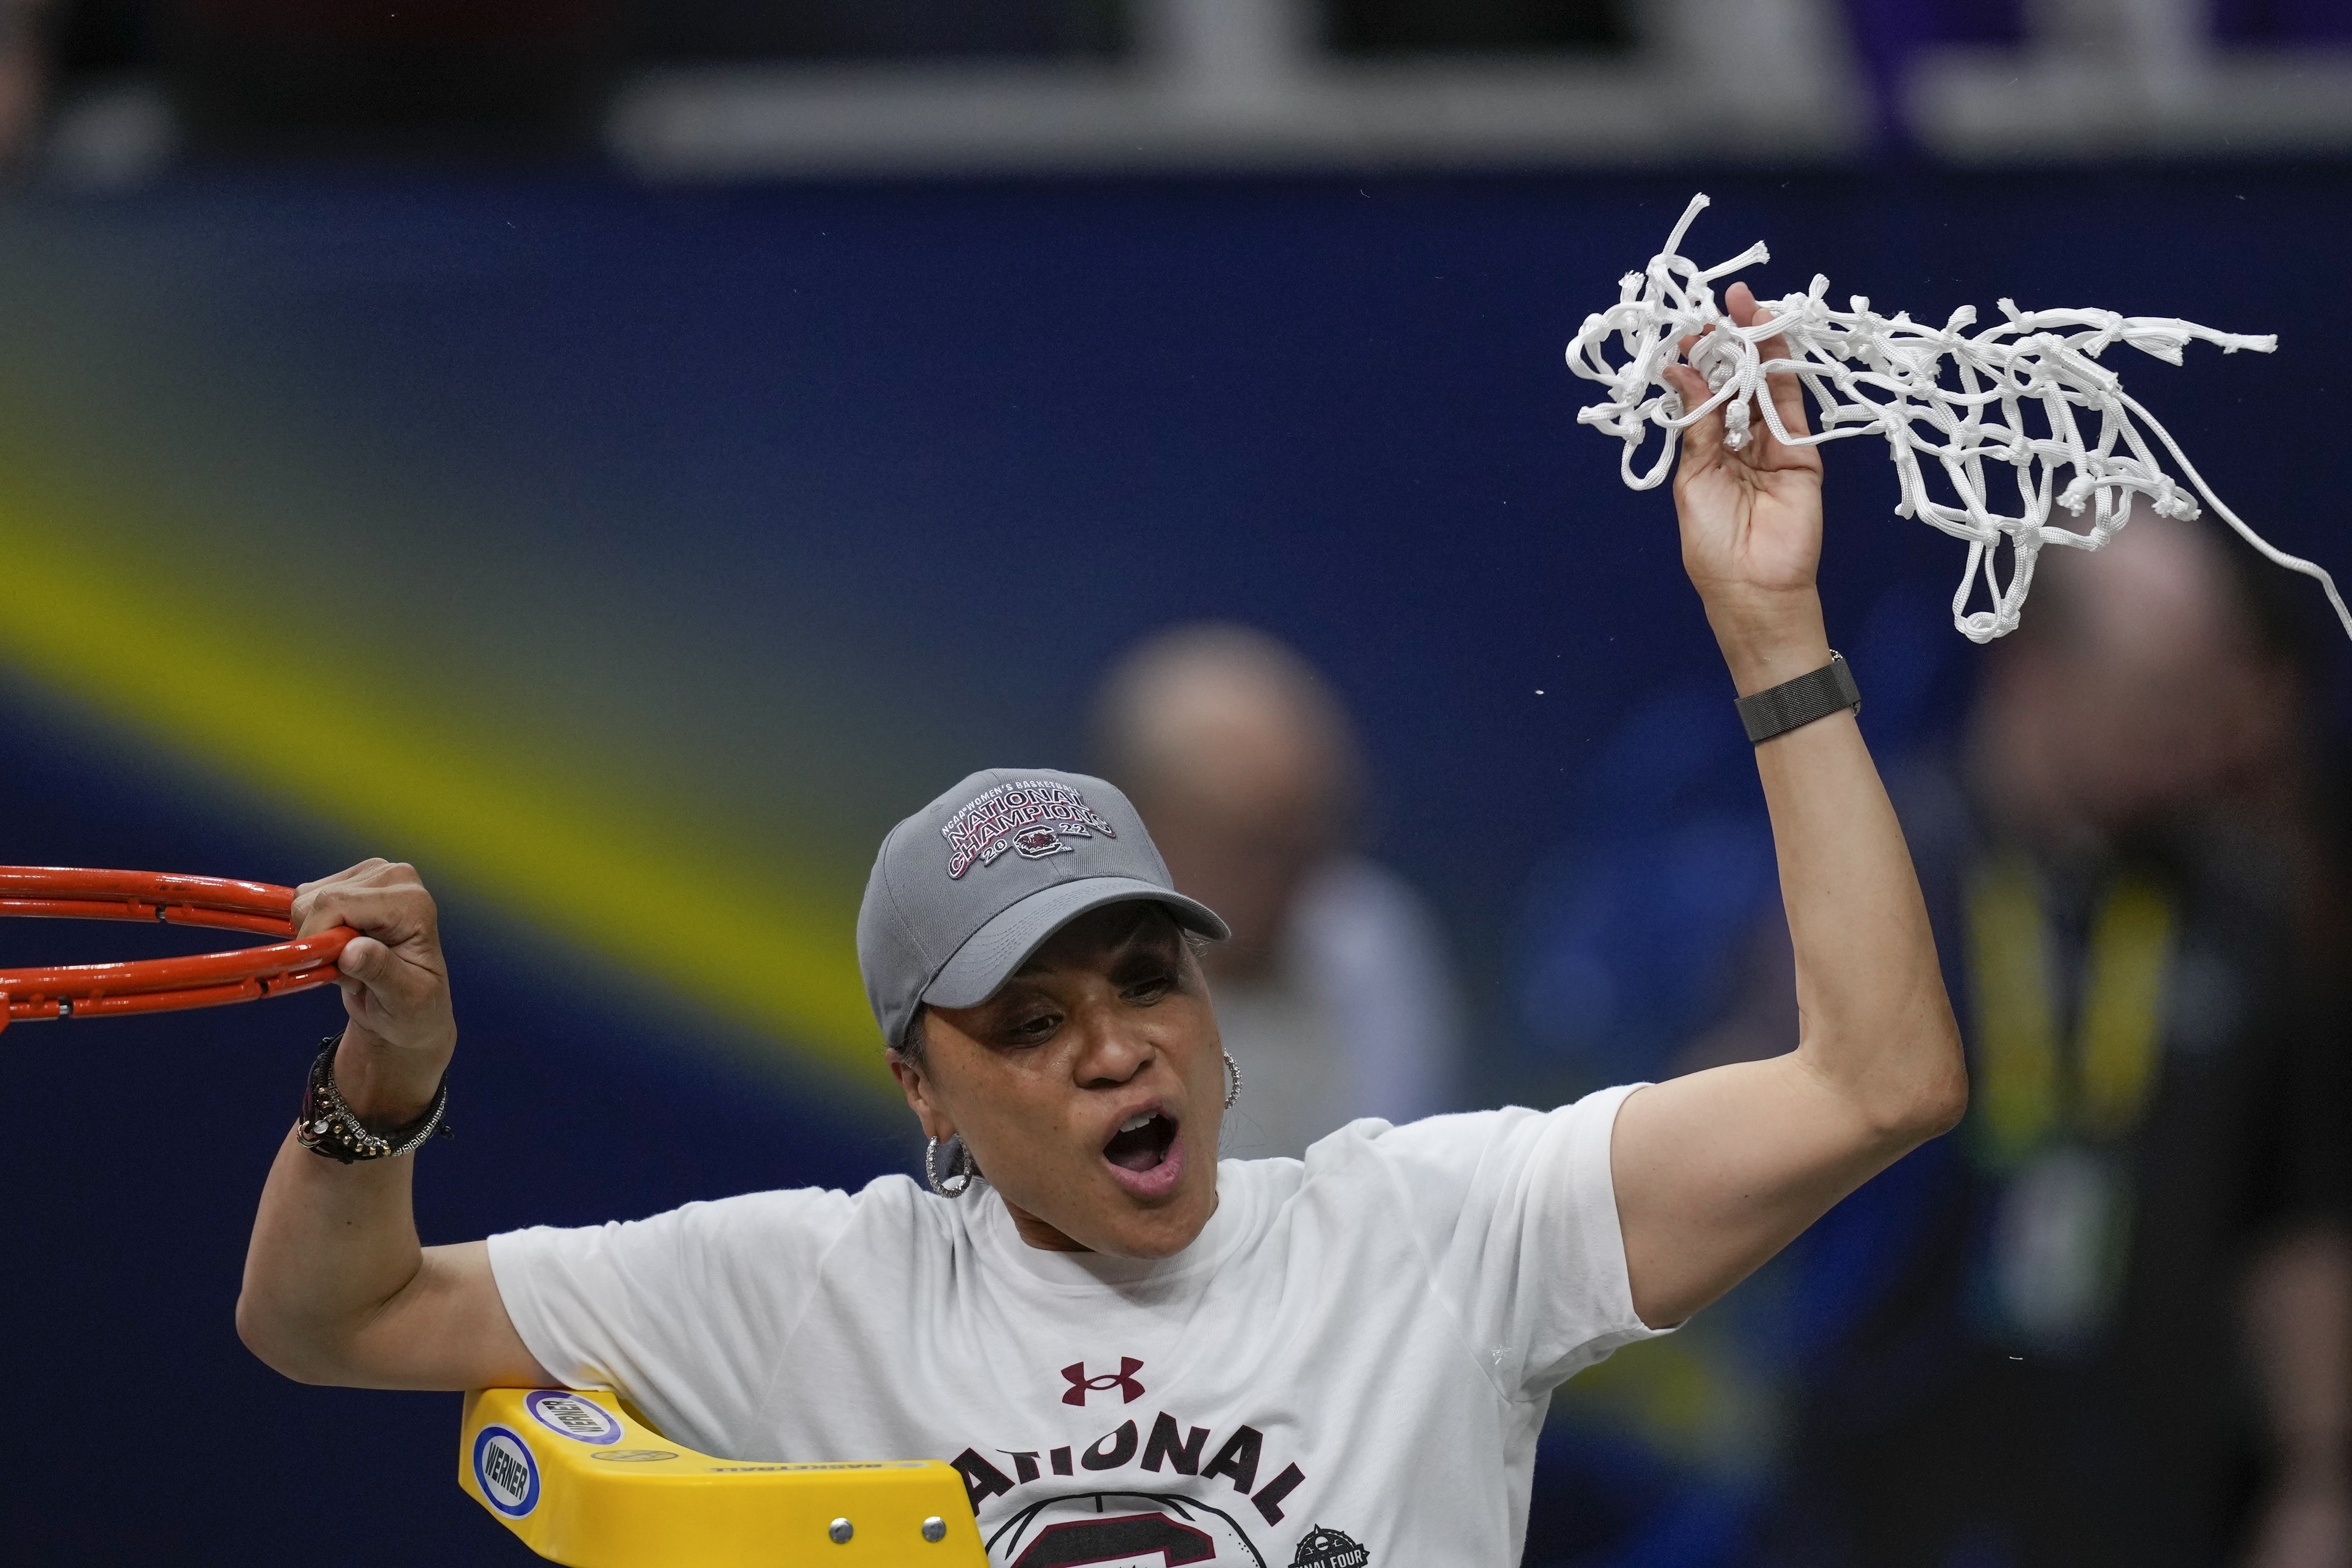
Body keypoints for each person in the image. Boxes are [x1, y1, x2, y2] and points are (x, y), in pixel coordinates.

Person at [234, 286, 1967, 1565]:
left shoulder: (1434, 1237)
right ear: (924, 1089)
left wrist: (1772, 640)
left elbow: (1878, 1081)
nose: (1116, 1042)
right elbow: (333, 1323)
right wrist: (382, 1086)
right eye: (1030, 1019)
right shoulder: (813, 1287)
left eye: (1146, 980)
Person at [1716, 514, 2352, 1568]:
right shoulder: (1880, 868)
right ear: (2034, 667)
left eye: (2206, 697)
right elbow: (1726, 1120)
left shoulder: (2247, 909)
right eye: (2159, 699)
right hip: (1864, 1488)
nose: (2197, 735)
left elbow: (2296, 1209)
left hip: (2142, 1498)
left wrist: (2319, 1473)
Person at [1091, 622, 1463, 1159]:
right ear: (1148, 831)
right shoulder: (1056, 999)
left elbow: (1413, 1180)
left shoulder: (1372, 941)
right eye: (1263, 843)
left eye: (1318, 832)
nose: (1307, 877)